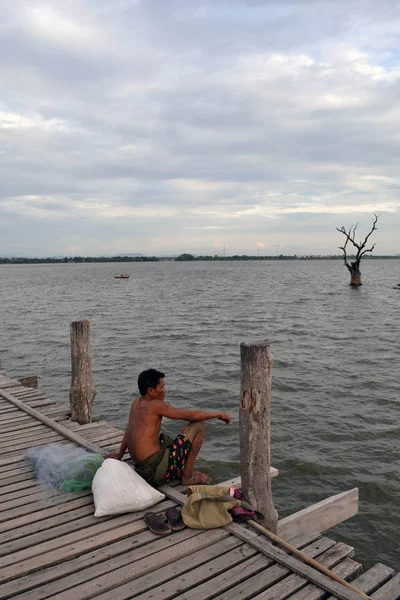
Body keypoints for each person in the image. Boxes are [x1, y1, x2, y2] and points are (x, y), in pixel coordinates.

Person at [105, 368, 230, 486]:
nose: (165, 390)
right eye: (162, 387)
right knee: (199, 426)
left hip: (142, 469)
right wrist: (218, 414)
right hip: (154, 471)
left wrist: (120, 454)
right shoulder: (156, 405)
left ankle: (177, 472)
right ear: (151, 391)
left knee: (166, 440)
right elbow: (193, 416)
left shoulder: (136, 403)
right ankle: (187, 477)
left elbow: (129, 430)